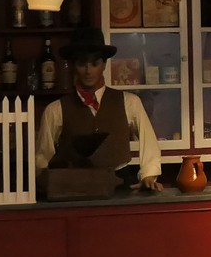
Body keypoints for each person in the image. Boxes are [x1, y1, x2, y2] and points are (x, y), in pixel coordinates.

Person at [35, 26, 162, 189]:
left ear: (104, 64)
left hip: (120, 186)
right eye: (82, 63)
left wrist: (148, 175)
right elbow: (43, 157)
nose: (88, 71)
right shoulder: (55, 109)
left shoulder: (130, 102)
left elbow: (149, 142)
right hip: (75, 187)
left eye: (95, 63)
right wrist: (48, 182)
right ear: (73, 65)